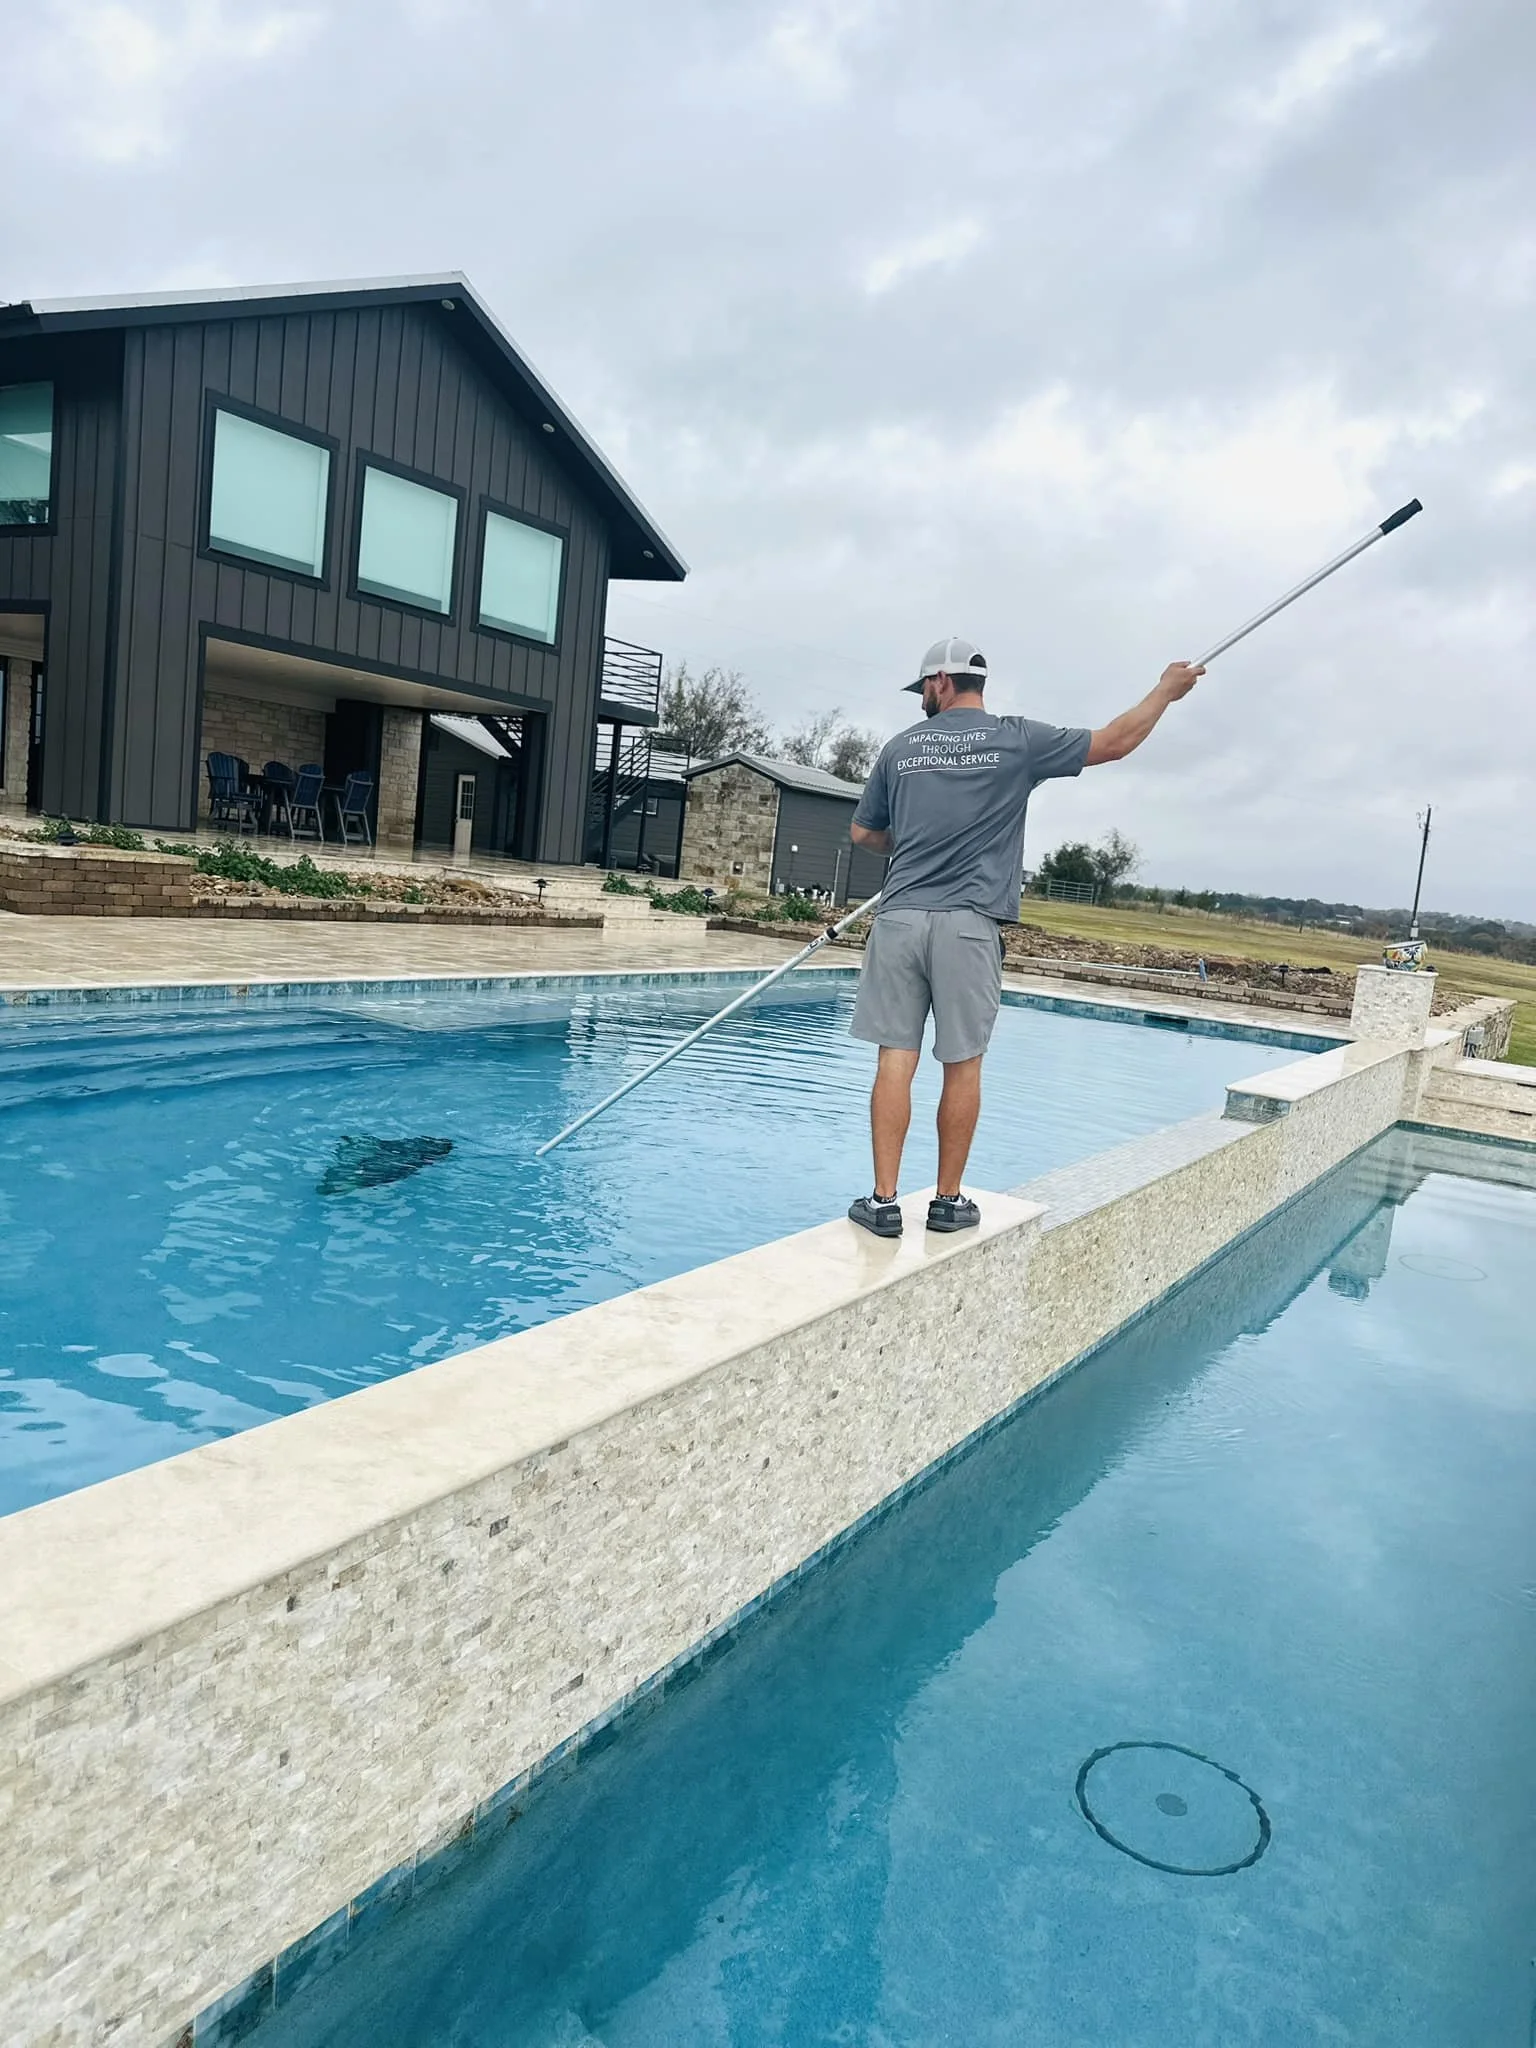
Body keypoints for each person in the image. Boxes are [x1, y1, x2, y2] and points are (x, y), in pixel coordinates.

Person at [846, 635, 1204, 1238]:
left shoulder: (900, 749)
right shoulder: (1017, 740)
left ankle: (883, 1203)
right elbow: (1113, 743)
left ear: (941, 682)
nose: (922, 701)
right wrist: (1164, 694)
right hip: (970, 926)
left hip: (902, 917)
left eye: (923, 690)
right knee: (962, 1064)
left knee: (895, 1061)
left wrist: (905, 843)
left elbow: (863, 834)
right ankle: (947, 1202)